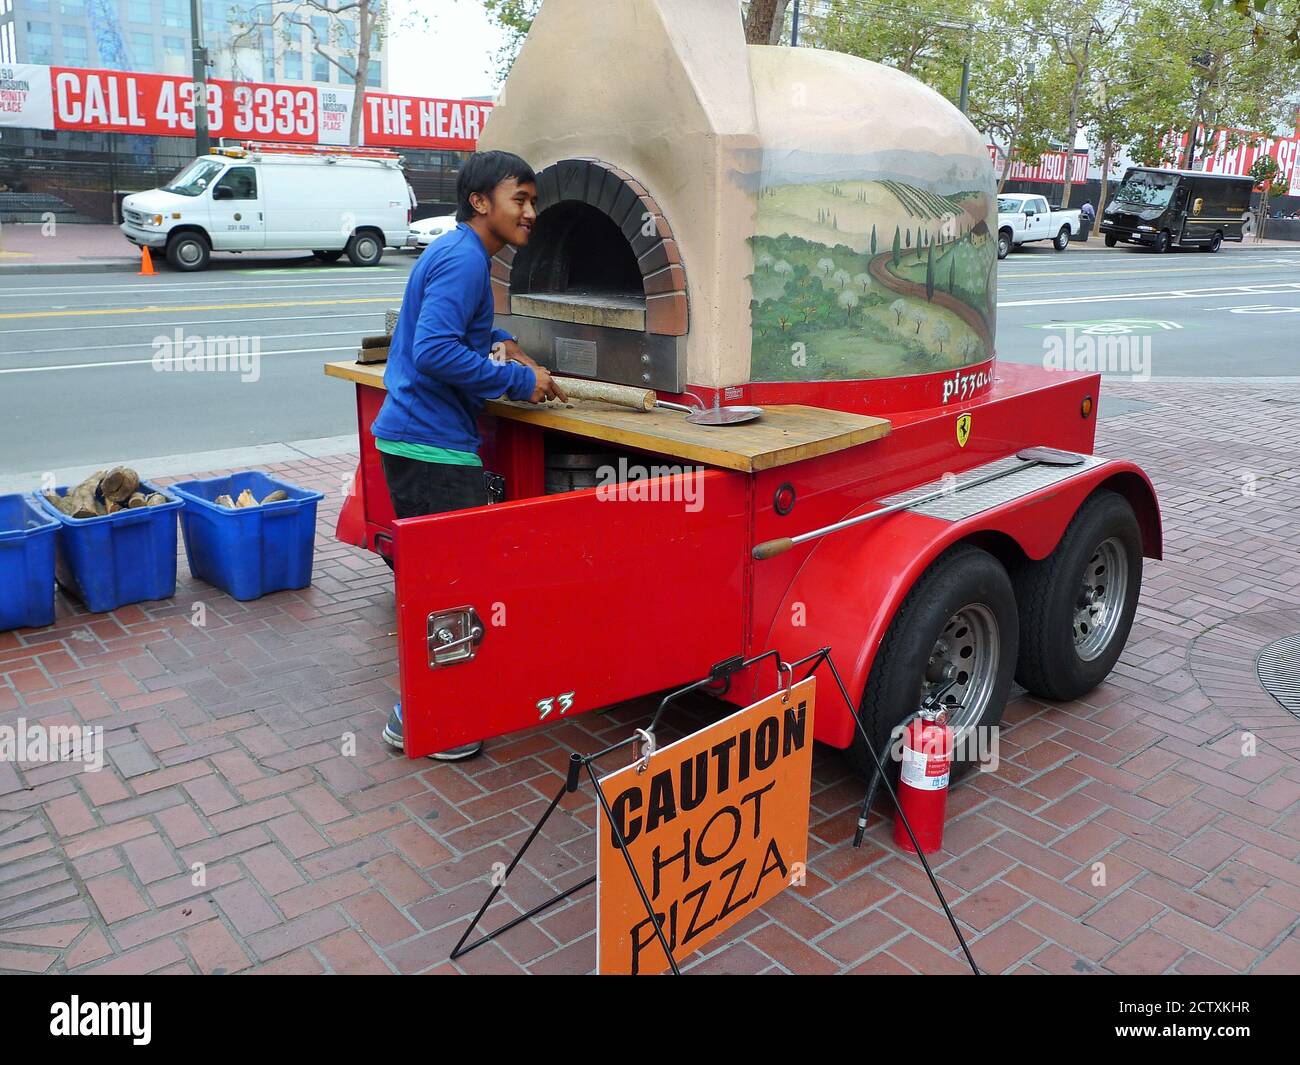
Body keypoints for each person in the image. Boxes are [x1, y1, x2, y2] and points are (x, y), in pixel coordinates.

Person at [372, 150, 566, 760]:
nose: (530, 212)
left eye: (533, 201)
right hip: (431, 446)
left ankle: (428, 712)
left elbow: (462, 332)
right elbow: (433, 350)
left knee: (444, 586)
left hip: (416, 439)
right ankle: (429, 720)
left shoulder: (457, 252)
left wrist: (511, 348)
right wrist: (515, 383)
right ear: (481, 202)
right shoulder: (464, 261)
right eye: (521, 199)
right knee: (452, 590)